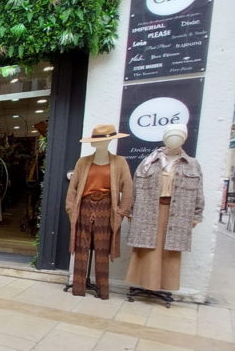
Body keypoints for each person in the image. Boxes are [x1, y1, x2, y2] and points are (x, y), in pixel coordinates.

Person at [125, 124, 203, 293]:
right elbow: (135, 188)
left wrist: (197, 215)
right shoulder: (149, 162)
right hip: (148, 211)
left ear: (184, 138)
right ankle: (146, 284)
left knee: (170, 251)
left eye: (178, 136)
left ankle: (165, 286)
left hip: (178, 214)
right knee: (147, 249)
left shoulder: (192, 164)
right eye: (170, 136)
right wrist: (130, 211)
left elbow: (198, 192)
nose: (173, 139)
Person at [65, 124, 134, 299]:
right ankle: (78, 287)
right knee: (82, 246)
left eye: (104, 141)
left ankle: (103, 289)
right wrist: (71, 208)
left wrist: (122, 212)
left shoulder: (119, 162)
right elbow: (73, 188)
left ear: (111, 141)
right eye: (97, 141)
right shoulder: (83, 161)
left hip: (107, 207)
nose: (101, 144)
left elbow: (128, 188)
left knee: (102, 248)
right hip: (85, 206)